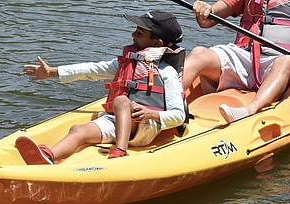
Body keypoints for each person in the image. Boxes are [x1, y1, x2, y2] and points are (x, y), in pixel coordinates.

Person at [15, 11, 187, 164]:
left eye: (140, 33)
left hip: (145, 126)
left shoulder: (166, 72)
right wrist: (52, 72)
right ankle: (48, 157)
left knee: (121, 101)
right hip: (117, 121)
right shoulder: (127, 62)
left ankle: (120, 152)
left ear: (157, 43)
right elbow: (91, 69)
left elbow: (178, 115)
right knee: (78, 130)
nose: (133, 35)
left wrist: (152, 114)